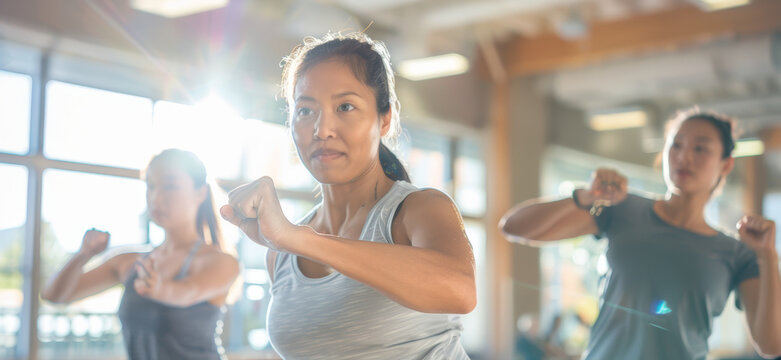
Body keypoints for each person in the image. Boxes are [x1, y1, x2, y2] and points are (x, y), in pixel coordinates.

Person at [219, 32, 476, 359]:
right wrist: (292, 240)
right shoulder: (281, 254)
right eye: (305, 111)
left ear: (385, 118)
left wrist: (298, 239)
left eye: (345, 107)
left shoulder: (418, 210)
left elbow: (461, 290)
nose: (322, 130)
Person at [500, 108, 781, 359]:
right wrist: (586, 196)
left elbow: (771, 345)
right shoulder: (623, 208)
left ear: (726, 164)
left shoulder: (737, 253)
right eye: (676, 145)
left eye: (700, 148)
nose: (684, 157)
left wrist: (768, 256)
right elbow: (513, 227)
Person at [42, 148, 240, 360]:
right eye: (151, 186)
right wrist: (82, 255)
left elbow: (187, 293)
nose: (156, 197)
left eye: (170, 186)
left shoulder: (221, 262)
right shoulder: (130, 262)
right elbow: (54, 296)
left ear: (200, 193)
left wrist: (160, 289)